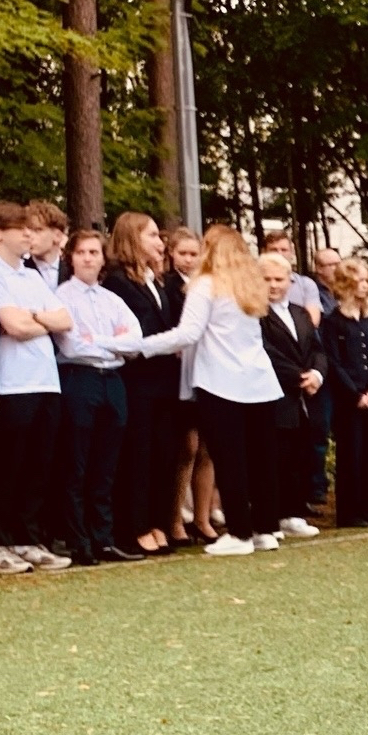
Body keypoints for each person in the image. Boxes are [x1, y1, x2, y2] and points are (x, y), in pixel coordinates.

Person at [136, 226, 284, 555]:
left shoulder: (205, 284)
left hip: (221, 383)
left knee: (229, 459)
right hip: (259, 382)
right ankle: (265, 529)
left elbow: (187, 333)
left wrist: (141, 346)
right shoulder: (251, 286)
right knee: (261, 459)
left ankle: (240, 533)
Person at [0, 199, 71, 574]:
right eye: (22, 229)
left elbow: (65, 319)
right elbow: (12, 326)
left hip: (46, 381)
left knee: (37, 465)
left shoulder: (31, 276)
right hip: (12, 383)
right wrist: (39, 321)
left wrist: (32, 318)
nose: (30, 235)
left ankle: (27, 538)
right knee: (8, 466)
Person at [52, 226, 147, 565]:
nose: (88, 259)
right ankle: (79, 541)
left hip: (113, 382)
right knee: (77, 462)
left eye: (94, 252)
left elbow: (135, 341)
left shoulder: (112, 300)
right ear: (71, 258)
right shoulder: (61, 297)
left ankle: (103, 539)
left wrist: (101, 341)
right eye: (81, 253)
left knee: (106, 465)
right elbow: (73, 345)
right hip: (80, 380)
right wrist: (114, 343)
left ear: (103, 258)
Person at [104, 210, 185, 555]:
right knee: (139, 454)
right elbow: (133, 332)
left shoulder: (157, 281)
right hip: (137, 380)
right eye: (151, 235)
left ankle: (157, 522)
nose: (159, 241)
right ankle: (134, 526)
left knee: (164, 453)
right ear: (132, 239)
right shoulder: (117, 283)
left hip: (164, 380)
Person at [257, 251, 324, 542]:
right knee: (274, 459)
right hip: (273, 395)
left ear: (290, 280)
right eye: (267, 279)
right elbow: (266, 351)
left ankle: (293, 513)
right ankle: (270, 518)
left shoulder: (300, 312)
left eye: (279, 279)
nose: (273, 285)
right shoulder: (255, 314)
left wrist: (317, 374)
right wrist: (299, 377)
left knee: (300, 455)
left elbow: (317, 349)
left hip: (304, 397)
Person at [322, 258, 368, 529]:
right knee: (352, 454)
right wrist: (355, 394)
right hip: (349, 399)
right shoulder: (333, 322)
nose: (365, 286)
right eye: (358, 281)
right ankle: (349, 511)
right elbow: (333, 362)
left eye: (366, 280)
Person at [165, 224, 218, 546]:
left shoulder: (209, 285)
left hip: (208, 371)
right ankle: (175, 519)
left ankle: (203, 517)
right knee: (187, 447)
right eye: (182, 253)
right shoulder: (169, 286)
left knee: (208, 448)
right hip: (179, 374)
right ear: (172, 254)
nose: (188, 259)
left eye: (193, 253)